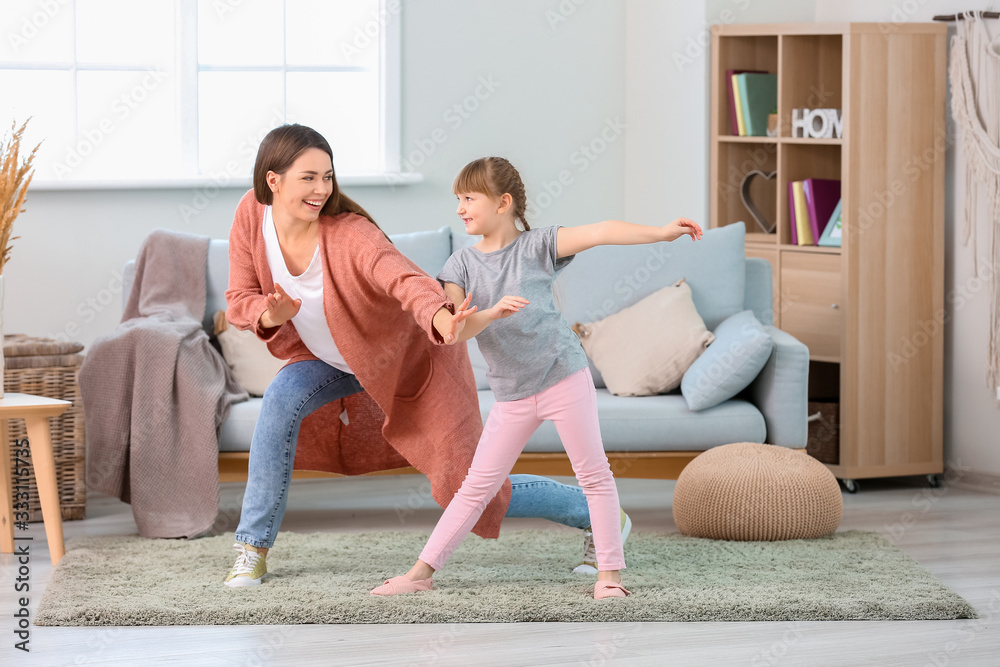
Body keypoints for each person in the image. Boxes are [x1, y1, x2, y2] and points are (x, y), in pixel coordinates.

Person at [223, 125, 611, 587]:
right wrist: (269, 315)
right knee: (279, 402)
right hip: (327, 360)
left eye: (327, 177)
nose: (322, 190)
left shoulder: (349, 234)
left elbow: (404, 279)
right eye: (309, 178)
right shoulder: (251, 215)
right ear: (273, 181)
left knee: (463, 485)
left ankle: (593, 511)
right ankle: (251, 548)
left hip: (407, 362)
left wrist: (443, 317)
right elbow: (238, 297)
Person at [370, 157, 702, 600]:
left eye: (469, 198)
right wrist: (488, 313)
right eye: (458, 200)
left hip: (563, 376)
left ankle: (610, 577)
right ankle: (420, 574)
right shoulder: (460, 266)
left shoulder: (540, 246)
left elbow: (602, 230)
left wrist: (661, 232)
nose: (460, 209)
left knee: (594, 476)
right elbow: (455, 331)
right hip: (512, 394)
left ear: (503, 203)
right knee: (476, 487)